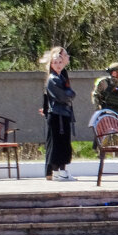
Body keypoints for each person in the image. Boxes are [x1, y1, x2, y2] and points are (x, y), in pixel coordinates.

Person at [40, 46, 76, 182]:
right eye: (55, 62)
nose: (58, 64)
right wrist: (70, 94)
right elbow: (64, 96)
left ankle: (61, 171)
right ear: (50, 64)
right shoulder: (53, 79)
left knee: (63, 144)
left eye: (60, 62)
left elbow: (69, 94)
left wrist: (70, 94)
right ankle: (57, 172)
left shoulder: (61, 77)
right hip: (57, 115)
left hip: (63, 114)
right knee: (57, 145)